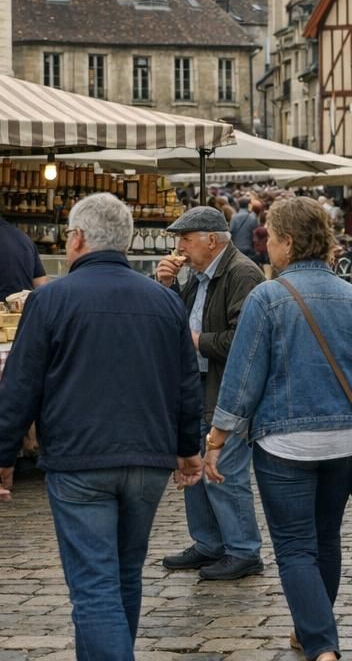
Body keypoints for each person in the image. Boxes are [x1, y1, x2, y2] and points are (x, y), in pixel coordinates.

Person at [0, 193, 203, 661]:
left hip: (80, 458)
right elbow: (187, 383)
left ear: (79, 238)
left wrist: (1, 454)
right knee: (123, 575)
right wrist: (188, 448)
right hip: (147, 458)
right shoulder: (164, 302)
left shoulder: (50, 299)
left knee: (94, 586)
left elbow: (20, 383)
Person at [203, 197, 352, 661]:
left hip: (285, 442)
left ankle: (322, 645)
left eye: (269, 237)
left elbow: (244, 377)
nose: (264, 246)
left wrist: (217, 437)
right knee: (326, 538)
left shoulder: (267, 298)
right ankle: (312, 628)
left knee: (294, 548)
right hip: (346, 439)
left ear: (288, 242)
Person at [152, 205, 268, 581]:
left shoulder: (242, 273)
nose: (180, 248)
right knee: (194, 466)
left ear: (212, 240)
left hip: (227, 386)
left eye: (186, 239)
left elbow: (244, 341)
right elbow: (170, 324)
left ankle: (243, 550)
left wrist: (198, 341)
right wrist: (166, 287)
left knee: (224, 469)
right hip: (196, 383)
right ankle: (208, 543)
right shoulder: (198, 275)